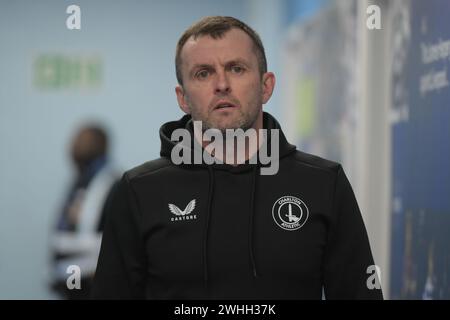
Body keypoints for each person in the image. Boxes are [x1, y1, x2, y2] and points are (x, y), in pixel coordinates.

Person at [91, 16, 383, 299]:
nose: (221, 84)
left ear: (266, 86)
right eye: (203, 73)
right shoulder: (138, 191)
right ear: (182, 98)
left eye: (236, 68)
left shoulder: (323, 184)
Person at [50, 124, 119, 299]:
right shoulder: (82, 182)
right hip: (73, 279)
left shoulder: (111, 183)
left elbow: (119, 238)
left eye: (81, 141)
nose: (74, 147)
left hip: (90, 281)